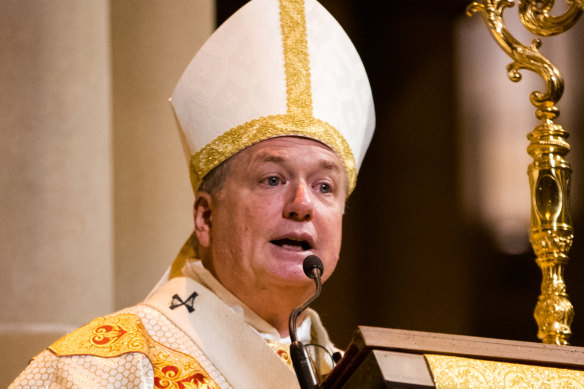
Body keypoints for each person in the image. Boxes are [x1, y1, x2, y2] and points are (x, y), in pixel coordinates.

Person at [9, 0, 374, 387]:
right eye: (272, 179)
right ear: (205, 217)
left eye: (324, 186)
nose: (302, 204)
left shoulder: (360, 378)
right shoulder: (100, 370)